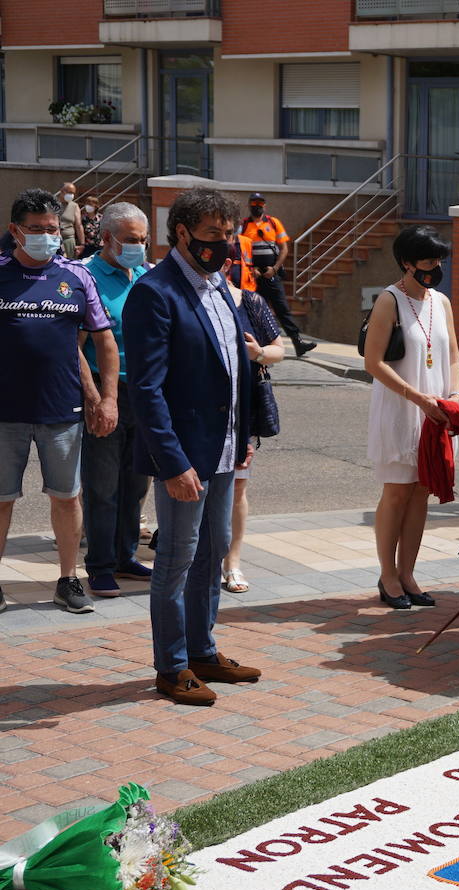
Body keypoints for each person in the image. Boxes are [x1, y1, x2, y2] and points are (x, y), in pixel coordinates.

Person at [123, 187, 260, 706]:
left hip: (225, 448)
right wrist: (173, 463)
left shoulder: (221, 288)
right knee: (177, 560)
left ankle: (203, 651)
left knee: (214, 550)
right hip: (184, 455)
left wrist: (245, 434)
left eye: (228, 235)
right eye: (212, 235)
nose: (223, 244)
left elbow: (237, 369)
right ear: (181, 233)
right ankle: (172, 666)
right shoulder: (155, 293)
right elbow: (147, 389)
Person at [0, 188, 118, 613]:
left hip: (61, 412)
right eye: (37, 230)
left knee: (68, 497)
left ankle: (68, 579)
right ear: (15, 231)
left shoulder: (76, 277)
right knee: (1, 500)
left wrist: (108, 398)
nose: (47, 237)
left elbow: (104, 341)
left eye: (53, 230)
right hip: (4, 413)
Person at [364, 226, 459, 610]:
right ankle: (388, 575)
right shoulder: (389, 300)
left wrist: (452, 394)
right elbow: (373, 362)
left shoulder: (442, 302)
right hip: (401, 408)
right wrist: (418, 398)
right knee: (397, 491)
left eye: (439, 259)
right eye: (427, 260)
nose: (435, 267)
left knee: (421, 490)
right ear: (406, 262)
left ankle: (408, 573)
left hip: (436, 411)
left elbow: (453, 356)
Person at [78, 202, 153, 600]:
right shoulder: (86, 276)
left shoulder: (144, 274)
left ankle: (126, 555)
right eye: (130, 240)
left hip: (143, 392)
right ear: (105, 238)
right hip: (105, 390)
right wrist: (96, 397)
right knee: (102, 484)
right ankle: (101, 565)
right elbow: (75, 345)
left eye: (142, 240)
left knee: (136, 482)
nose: (137, 247)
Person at [220, 242, 287, 595]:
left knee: (237, 486)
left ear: (229, 263)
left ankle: (232, 561)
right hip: (199, 412)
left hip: (241, 411)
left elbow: (280, 349)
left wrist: (259, 351)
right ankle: (202, 557)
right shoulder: (187, 300)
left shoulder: (251, 302)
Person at [241, 192, 314, 358]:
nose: (257, 206)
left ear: (264, 205)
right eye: (254, 203)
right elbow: (241, 250)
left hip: (272, 274)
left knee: (283, 309)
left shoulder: (274, 223)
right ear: (249, 205)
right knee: (255, 311)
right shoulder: (244, 226)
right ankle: (258, 345)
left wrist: (274, 269)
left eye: (260, 203)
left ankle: (298, 343)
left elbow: (284, 249)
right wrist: (253, 270)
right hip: (254, 277)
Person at [57, 182, 84, 258]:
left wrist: (82, 244)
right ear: (62, 191)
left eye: (73, 193)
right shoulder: (54, 204)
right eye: (70, 192)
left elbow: (78, 225)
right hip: (55, 240)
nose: (72, 195)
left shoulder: (74, 206)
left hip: (68, 241)